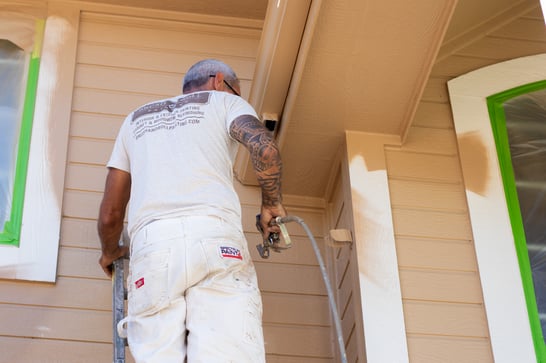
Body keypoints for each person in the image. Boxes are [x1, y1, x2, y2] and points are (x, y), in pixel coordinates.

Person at [97, 59, 286, 363]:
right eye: (235, 92)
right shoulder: (225, 102)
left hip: (153, 246)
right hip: (217, 239)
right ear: (219, 81)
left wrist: (110, 251)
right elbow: (264, 148)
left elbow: (110, 212)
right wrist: (271, 205)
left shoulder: (134, 120)